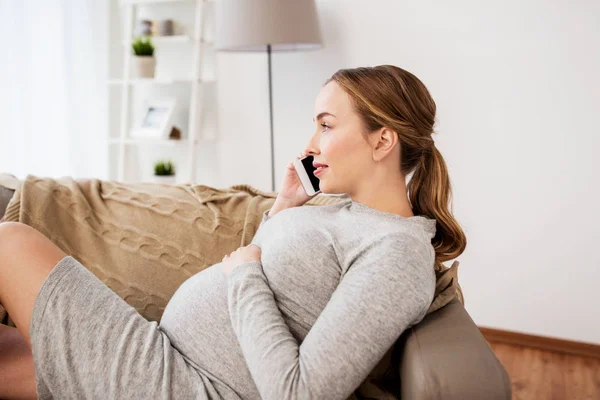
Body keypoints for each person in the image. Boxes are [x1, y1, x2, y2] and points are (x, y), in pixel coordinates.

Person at [0, 65, 466, 400]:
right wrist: (283, 208)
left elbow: (299, 392)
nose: (310, 145)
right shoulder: (342, 211)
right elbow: (285, 282)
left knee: (10, 242)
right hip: (168, 352)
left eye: (326, 125)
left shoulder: (397, 255)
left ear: (382, 140)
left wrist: (244, 274)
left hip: (185, 384)